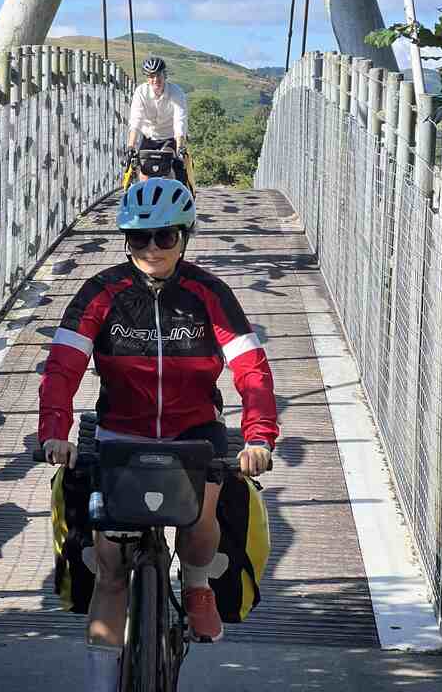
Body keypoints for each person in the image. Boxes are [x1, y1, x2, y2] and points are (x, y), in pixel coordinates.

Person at [38, 178, 278, 692]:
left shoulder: (209, 293)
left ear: (184, 236)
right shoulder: (102, 293)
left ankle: (196, 586)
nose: (151, 249)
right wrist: (55, 431)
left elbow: (251, 368)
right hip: (120, 431)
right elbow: (62, 367)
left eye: (164, 237)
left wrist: (258, 436)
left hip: (195, 429)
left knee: (202, 513)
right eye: (138, 238)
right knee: (110, 565)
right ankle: (102, 684)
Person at [126, 56, 189, 185]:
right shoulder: (141, 92)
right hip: (149, 137)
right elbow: (136, 120)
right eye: (151, 76)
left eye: (158, 75)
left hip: (169, 137)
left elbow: (179, 121)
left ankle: (168, 198)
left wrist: (180, 147)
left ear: (164, 75)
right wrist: (131, 146)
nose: (155, 80)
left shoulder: (176, 93)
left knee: (166, 166)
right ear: (147, 78)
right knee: (144, 170)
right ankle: (146, 198)